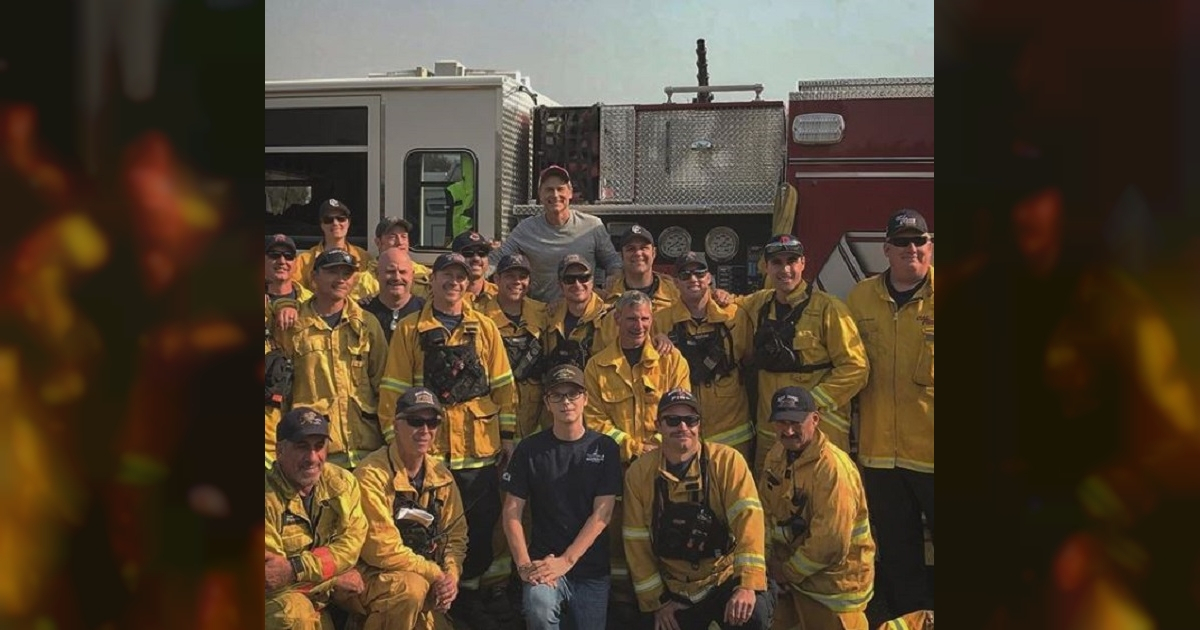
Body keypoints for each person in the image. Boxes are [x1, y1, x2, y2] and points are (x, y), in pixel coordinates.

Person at [377, 251, 518, 629]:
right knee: (424, 529)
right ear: (432, 280)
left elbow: (504, 386)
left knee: (478, 528)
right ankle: (430, 598)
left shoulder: (485, 328)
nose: (453, 282)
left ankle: (468, 596)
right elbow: (393, 391)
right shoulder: (409, 330)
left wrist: (507, 438)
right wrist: (400, 450)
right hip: (431, 455)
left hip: (478, 452)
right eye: (446, 276)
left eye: (460, 276)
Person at [846, 209, 935, 620]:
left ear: (930, 248)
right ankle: (907, 620)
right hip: (880, 452)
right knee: (898, 551)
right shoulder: (860, 298)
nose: (911, 249)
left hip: (934, 452)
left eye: (919, 241)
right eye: (902, 242)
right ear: (886, 250)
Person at [622, 388, 772, 630]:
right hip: (674, 589)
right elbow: (636, 544)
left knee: (754, 615)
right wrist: (658, 604)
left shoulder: (728, 462)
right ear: (657, 425)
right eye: (673, 420)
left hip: (722, 578)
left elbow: (749, 523)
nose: (683, 427)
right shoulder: (639, 474)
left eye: (691, 420)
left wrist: (747, 585)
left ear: (699, 425)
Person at [501, 364, 622, 630]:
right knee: (539, 609)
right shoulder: (530, 450)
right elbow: (511, 511)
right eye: (557, 395)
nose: (566, 402)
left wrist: (566, 561)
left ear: (585, 399)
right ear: (547, 403)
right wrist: (524, 567)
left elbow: (603, 513)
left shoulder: (605, 447)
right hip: (543, 566)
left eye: (573, 394)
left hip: (590, 570)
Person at [335, 387, 468, 630]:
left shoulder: (442, 477)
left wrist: (450, 577)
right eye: (415, 421)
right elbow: (380, 549)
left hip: (425, 579)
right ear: (396, 425)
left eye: (432, 422)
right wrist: (435, 573)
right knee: (410, 589)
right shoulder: (371, 474)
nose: (425, 430)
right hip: (372, 576)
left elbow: (456, 537)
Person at [739, 234, 869, 471]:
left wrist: (811, 404)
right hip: (773, 431)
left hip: (819, 429)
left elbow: (856, 368)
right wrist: (720, 296)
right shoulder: (757, 305)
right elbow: (721, 311)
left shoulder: (829, 309)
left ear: (803, 263)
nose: (785, 269)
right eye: (777, 262)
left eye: (791, 261)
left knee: (824, 497)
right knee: (772, 496)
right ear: (766, 266)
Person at [759, 386, 876, 630]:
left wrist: (787, 572)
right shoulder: (777, 455)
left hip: (835, 591)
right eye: (781, 423)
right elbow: (766, 513)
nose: (788, 430)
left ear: (814, 420)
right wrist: (769, 564)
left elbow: (829, 543)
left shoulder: (833, 470)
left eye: (795, 422)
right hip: (795, 581)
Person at [278, 249, 390, 470]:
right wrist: (280, 304)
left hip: (366, 451)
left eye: (346, 274)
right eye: (332, 272)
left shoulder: (368, 324)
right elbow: (282, 391)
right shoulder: (293, 324)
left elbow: (384, 385)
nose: (340, 279)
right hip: (314, 451)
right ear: (314, 276)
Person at [266, 407, 369, 630]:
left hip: (319, 592)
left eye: (319, 447)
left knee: (400, 590)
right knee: (294, 615)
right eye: (302, 447)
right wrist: (332, 582)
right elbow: (273, 579)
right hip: (275, 600)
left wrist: (295, 568)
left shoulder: (343, 482)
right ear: (280, 450)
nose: (312, 458)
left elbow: (350, 547)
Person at [654, 252, 755, 462]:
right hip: (682, 432)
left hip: (732, 430)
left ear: (709, 277)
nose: (693, 279)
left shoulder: (736, 316)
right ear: (675, 282)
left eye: (699, 272)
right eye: (685, 274)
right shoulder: (660, 322)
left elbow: (750, 362)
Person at [583, 290, 690, 465]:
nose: (639, 326)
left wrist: (656, 445)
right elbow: (594, 420)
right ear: (617, 319)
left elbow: (681, 409)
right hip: (615, 464)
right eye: (631, 319)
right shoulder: (596, 367)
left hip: (663, 459)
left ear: (652, 319)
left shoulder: (672, 360)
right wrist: (634, 449)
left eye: (645, 319)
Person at [488, 165, 623, 302]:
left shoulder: (593, 226)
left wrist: (611, 284)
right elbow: (497, 259)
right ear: (540, 194)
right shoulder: (525, 229)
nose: (555, 195)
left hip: (581, 312)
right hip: (542, 313)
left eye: (560, 189)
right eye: (549, 190)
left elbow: (613, 261)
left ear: (570, 193)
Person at [479, 253, 551, 440]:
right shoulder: (480, 317)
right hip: (493, 422)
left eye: (522, 276)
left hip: (535, 422)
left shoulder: (543, 313)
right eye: (510, 276)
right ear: (496, 279)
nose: (517, 282)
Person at [266, 234, 311, 469]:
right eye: (274, 255)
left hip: (301, 416)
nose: (281, 260)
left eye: (288, 255)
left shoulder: (312, 303)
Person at [293, 198, 380, 303]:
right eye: (328, 220)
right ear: (321, 224)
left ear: (348, 222)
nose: (335, 223)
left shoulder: (364, 257)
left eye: (341, 219)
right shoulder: (303, 260)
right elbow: (296, 290)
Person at [605, 224, 679, 313]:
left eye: (644, 248)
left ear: (654, 253)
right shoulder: (608, 296)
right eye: (631, 249)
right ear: (621, 256)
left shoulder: (675, 294)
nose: (638, 253)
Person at [358, 247, 426, 344]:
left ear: (412, 275)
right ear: (377, 275)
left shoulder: (426, 312)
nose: (397, 277)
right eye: (390, 272)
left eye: (402, 272)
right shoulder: (362, 313)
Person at [375, 215, 431, 299]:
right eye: (392, 237)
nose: (400, 242)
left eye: (404, 236)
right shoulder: (364, 279)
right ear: (378, 242)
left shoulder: (427, 274)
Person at [452, 230, 499, 308]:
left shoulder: (500, 294)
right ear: (454, 257)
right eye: (468, 253)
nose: (476, 258)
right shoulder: (445, 293)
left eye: (482, 253)